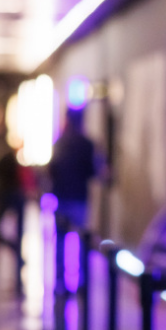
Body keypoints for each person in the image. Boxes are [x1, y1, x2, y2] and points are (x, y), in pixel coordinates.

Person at [47, 107, 97, 294]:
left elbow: (52, 170)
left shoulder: (60, 143)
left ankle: (60, 282)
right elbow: (91, 171)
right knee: (82, 241)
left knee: (60, 240)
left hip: (62, 198)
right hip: (79, 199)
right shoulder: (86, 144)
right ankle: (82, 282)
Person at [0, 123, 25, 295]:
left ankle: (17, 263)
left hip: (7, 197)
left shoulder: (5, 154)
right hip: (3, 198)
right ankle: (14, 257)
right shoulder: (3, 153)